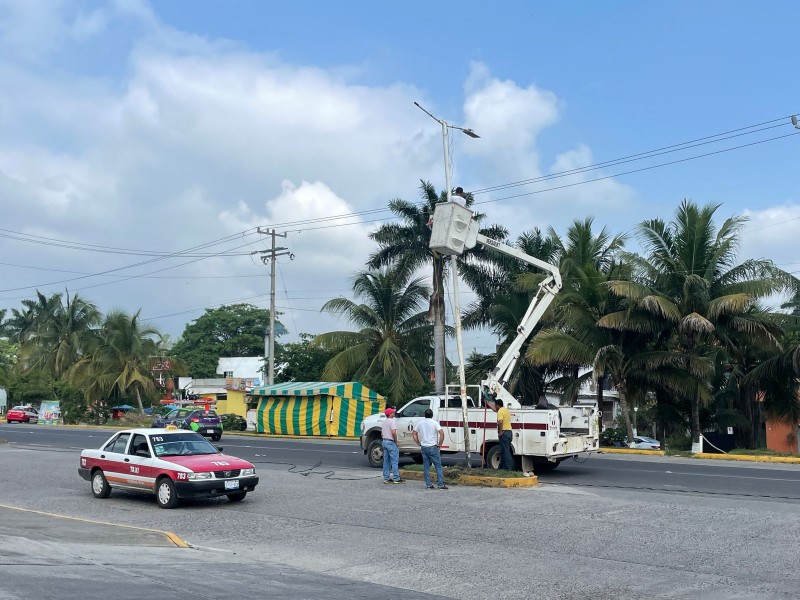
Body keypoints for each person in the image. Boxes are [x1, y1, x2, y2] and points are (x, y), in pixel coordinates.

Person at [412, 408, 448, 490]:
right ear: (432, 415)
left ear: (425, 415)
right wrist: (440, 444)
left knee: (426, 466)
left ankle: (428, 484)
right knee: (438, 466)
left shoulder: (420, 423)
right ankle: (440, 484)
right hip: (433, 447)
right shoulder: (434, 423)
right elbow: (441, 433)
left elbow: (414, 433)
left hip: (424, 447)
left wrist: (418, 443)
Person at [483, 392, 513, 470]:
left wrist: (500, 432)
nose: (495, 407)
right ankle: (503, 467)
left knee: (505, 452)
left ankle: (507, 468)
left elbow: (500, 422)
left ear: (497, 405)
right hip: (509, 432)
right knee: (505, 451)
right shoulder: (505, 410)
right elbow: (494, 410)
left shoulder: (500, 412)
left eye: (495, 405)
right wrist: (488, 403)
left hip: (504, 433)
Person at [381, 407, 404, 483]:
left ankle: (386, 478)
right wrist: (396, 441)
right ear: (390, 414)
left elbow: (382, 434)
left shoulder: (384, 422)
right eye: (393, 412)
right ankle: (396, 478)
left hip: (384, 441)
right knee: (394, 461)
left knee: (386, 461)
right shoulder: (392, 421)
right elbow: (393, 432)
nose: (394, 413)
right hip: (391, 442)